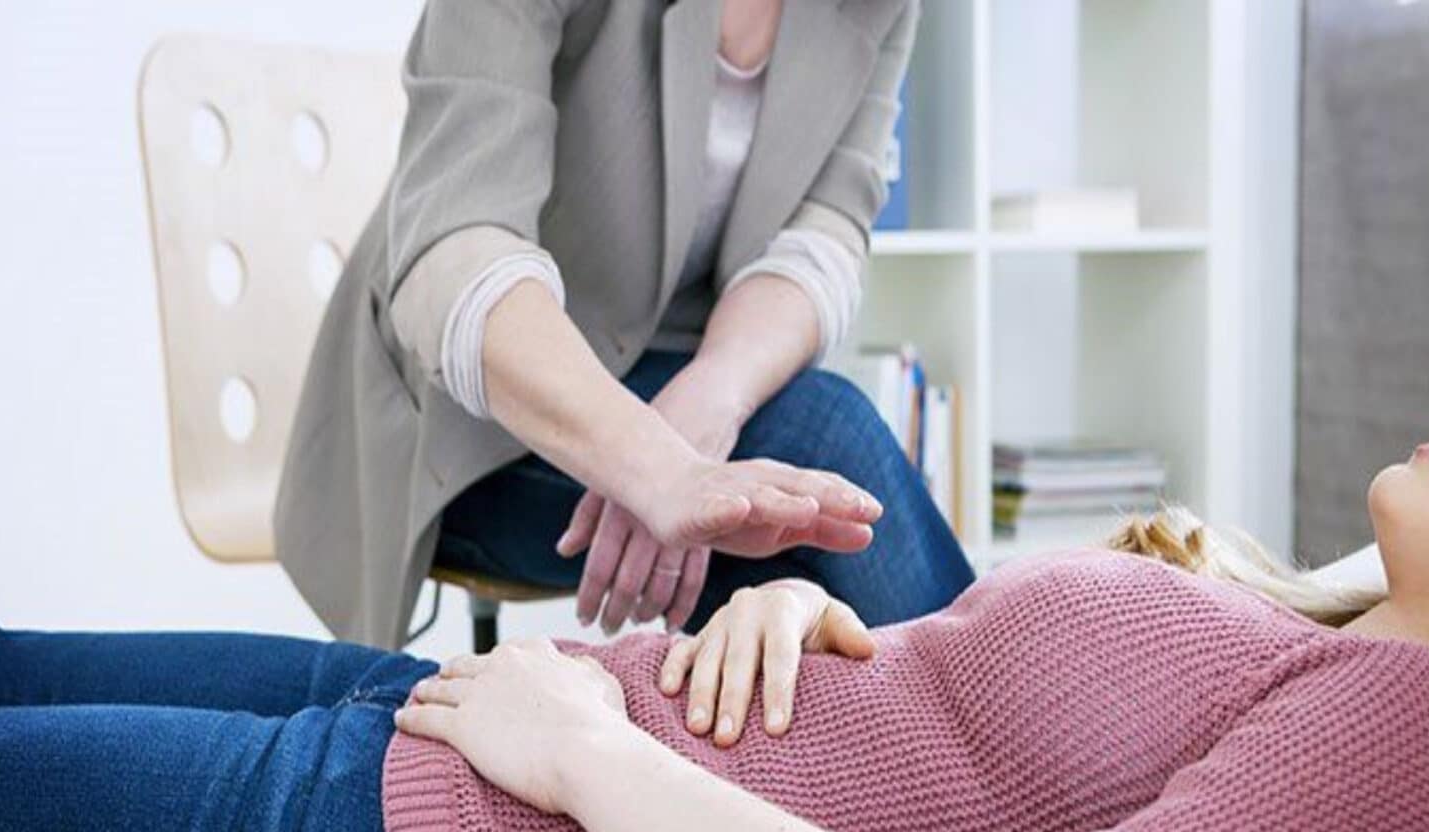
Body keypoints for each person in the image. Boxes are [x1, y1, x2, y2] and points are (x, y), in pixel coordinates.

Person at [0, 380, 1429, 832]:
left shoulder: (1418, 725)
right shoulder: (1327, 641)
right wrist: (818, 618)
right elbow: (966, 755)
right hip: (450, 733)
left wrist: (588, 761)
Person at [273, 0, 974, 647]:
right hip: (466, 409)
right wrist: (664, 472)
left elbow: (826, 230)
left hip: (681, 377)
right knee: (819, 458)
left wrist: (713, 397)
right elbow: (459, 255)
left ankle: (978, 716)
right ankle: (998, 708)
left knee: (795, 571)